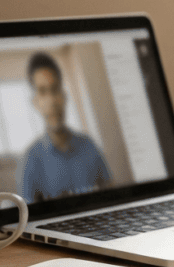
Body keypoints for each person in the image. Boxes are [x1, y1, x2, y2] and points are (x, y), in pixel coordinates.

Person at [20, 52, 111, 203]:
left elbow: (110, 193)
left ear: (64, 95)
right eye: (43, 92)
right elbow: (26, 218)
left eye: (55, 89)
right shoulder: (30, 160)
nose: (52, 101)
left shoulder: (89, 145)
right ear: (35, 102)